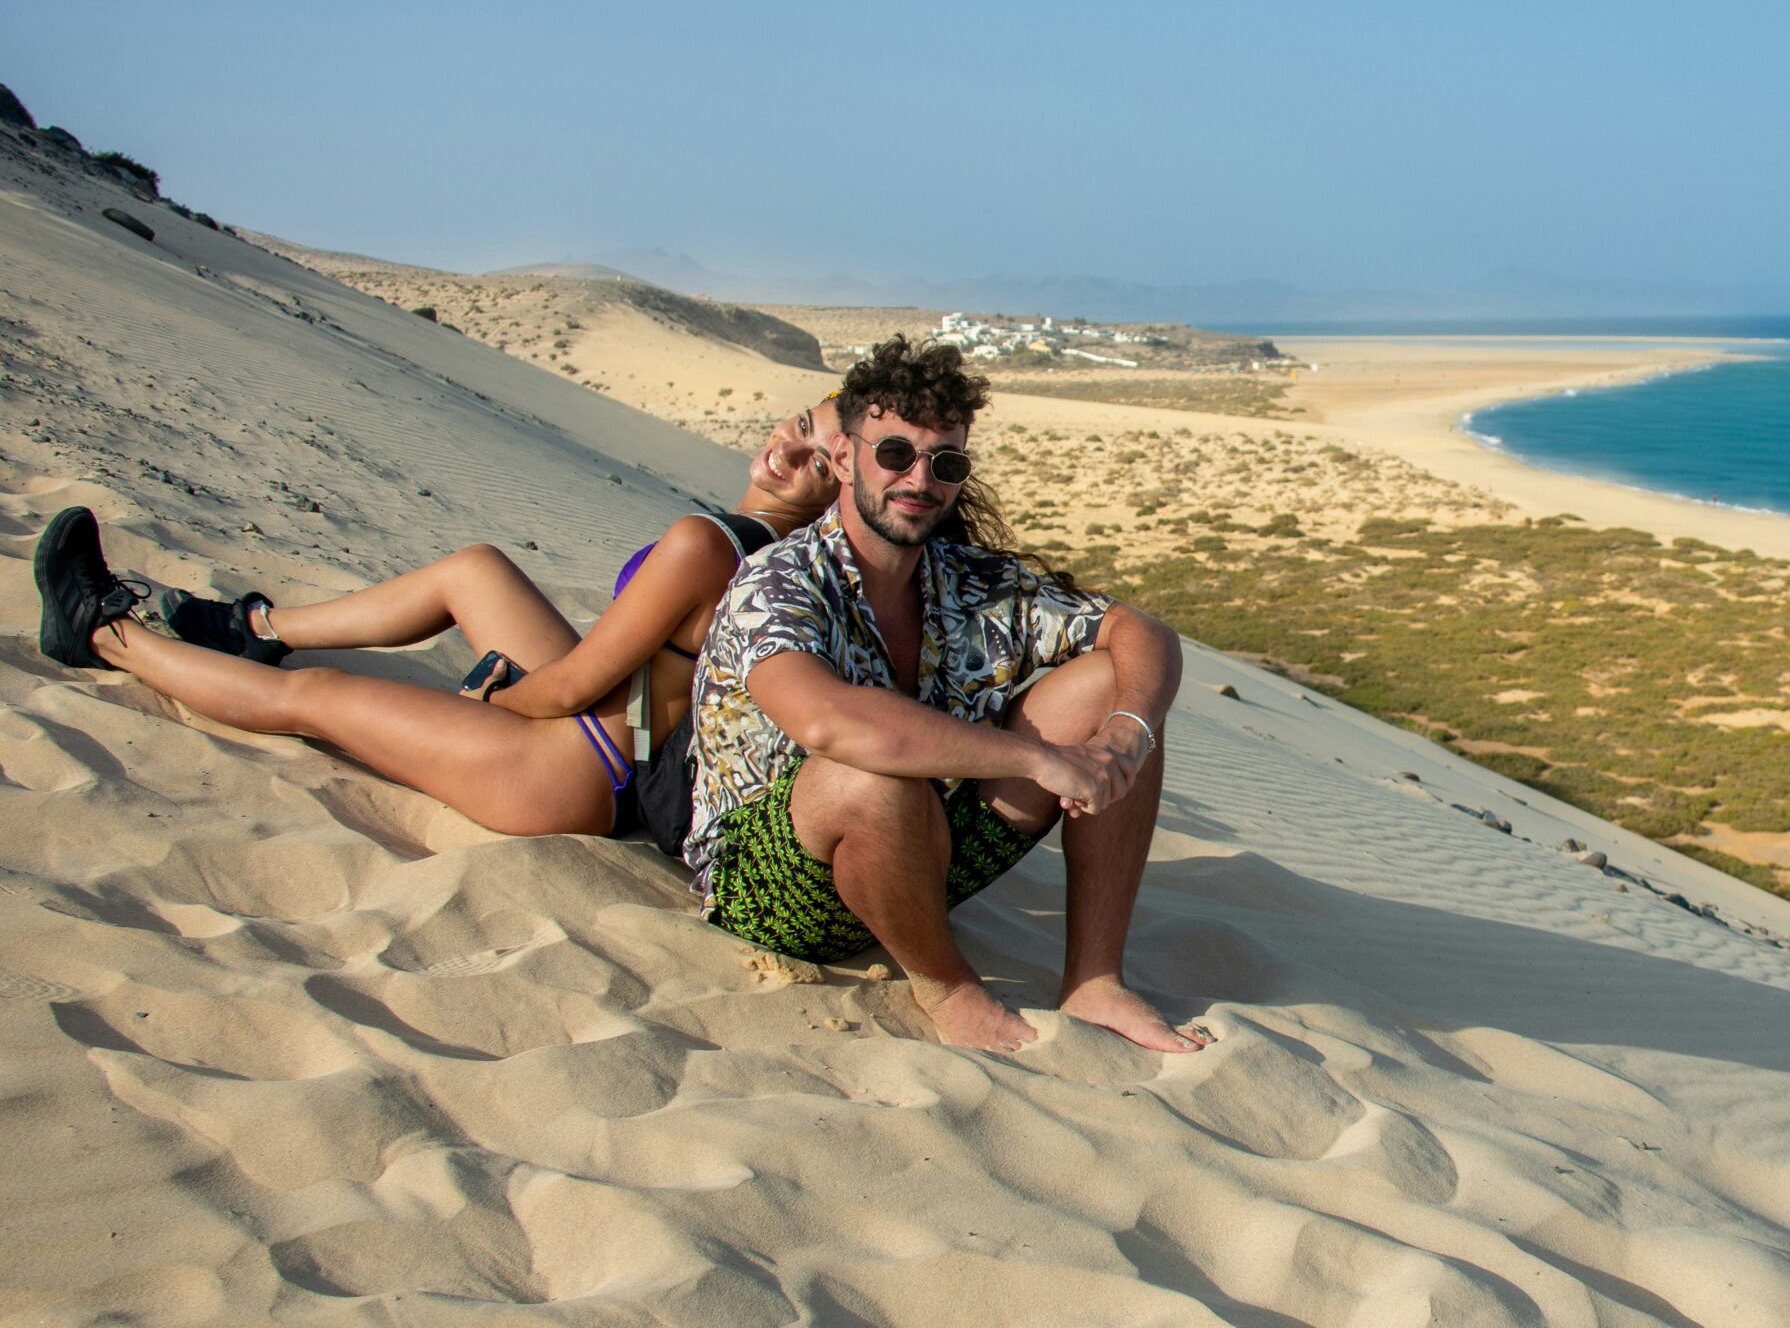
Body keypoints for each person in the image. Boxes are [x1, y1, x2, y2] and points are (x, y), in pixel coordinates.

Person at [684, 335, 1207, 1054]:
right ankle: (949, 988)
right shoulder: (778, 583)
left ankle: (1093, 979)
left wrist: (1127, 731)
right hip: (775, 884)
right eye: (895, 452)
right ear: (844, 458)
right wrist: (1035, 759)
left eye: (946, 462)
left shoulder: (966, 579)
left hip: (919, 857)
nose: (919, 478)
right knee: (867, 777)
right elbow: (827, 721)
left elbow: (1138, 629)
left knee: (1116, 686)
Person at [29, 406, 838, 845]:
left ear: (839, 497)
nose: (788, 450)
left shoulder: (710, 546)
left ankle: (100, 633)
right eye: (800, 425)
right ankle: (256, 627)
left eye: (820, 462)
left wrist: (502, 702)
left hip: (571, 766)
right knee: (475, 569)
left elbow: (581, 683)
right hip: (621, 739)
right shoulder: (778, 556)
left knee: (313, 699)